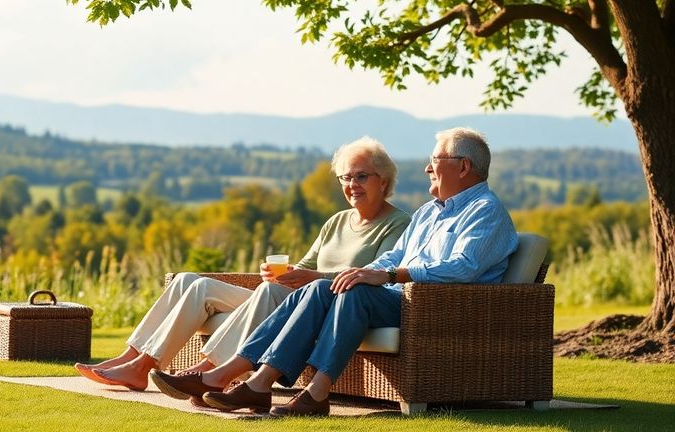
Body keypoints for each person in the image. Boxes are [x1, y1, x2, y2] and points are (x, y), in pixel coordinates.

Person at [151, 127, 519, 417]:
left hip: (435, 307)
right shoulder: (429, 212)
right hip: (397, 296)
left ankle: (316, 394)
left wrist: (388, 277)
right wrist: (365, 271)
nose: (427, 167)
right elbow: (393, 256)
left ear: (463, 166)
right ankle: (258, 382)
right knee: (315, 290)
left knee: (355, 292)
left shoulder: (485, 211)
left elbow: (462, 268)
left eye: (434, 159)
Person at [74, 137, 411, 392]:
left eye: (361, 176)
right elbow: (307, 265)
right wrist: (289, 270)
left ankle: (209, 369)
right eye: (345, 177)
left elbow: (374, 276)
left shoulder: (398, 224)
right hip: (290, 298)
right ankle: (133, 357)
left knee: (267, 292)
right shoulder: (336, 221)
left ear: (383, 180)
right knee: (190, 281)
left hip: (326, 305)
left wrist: (314, 277)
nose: (352, 185)